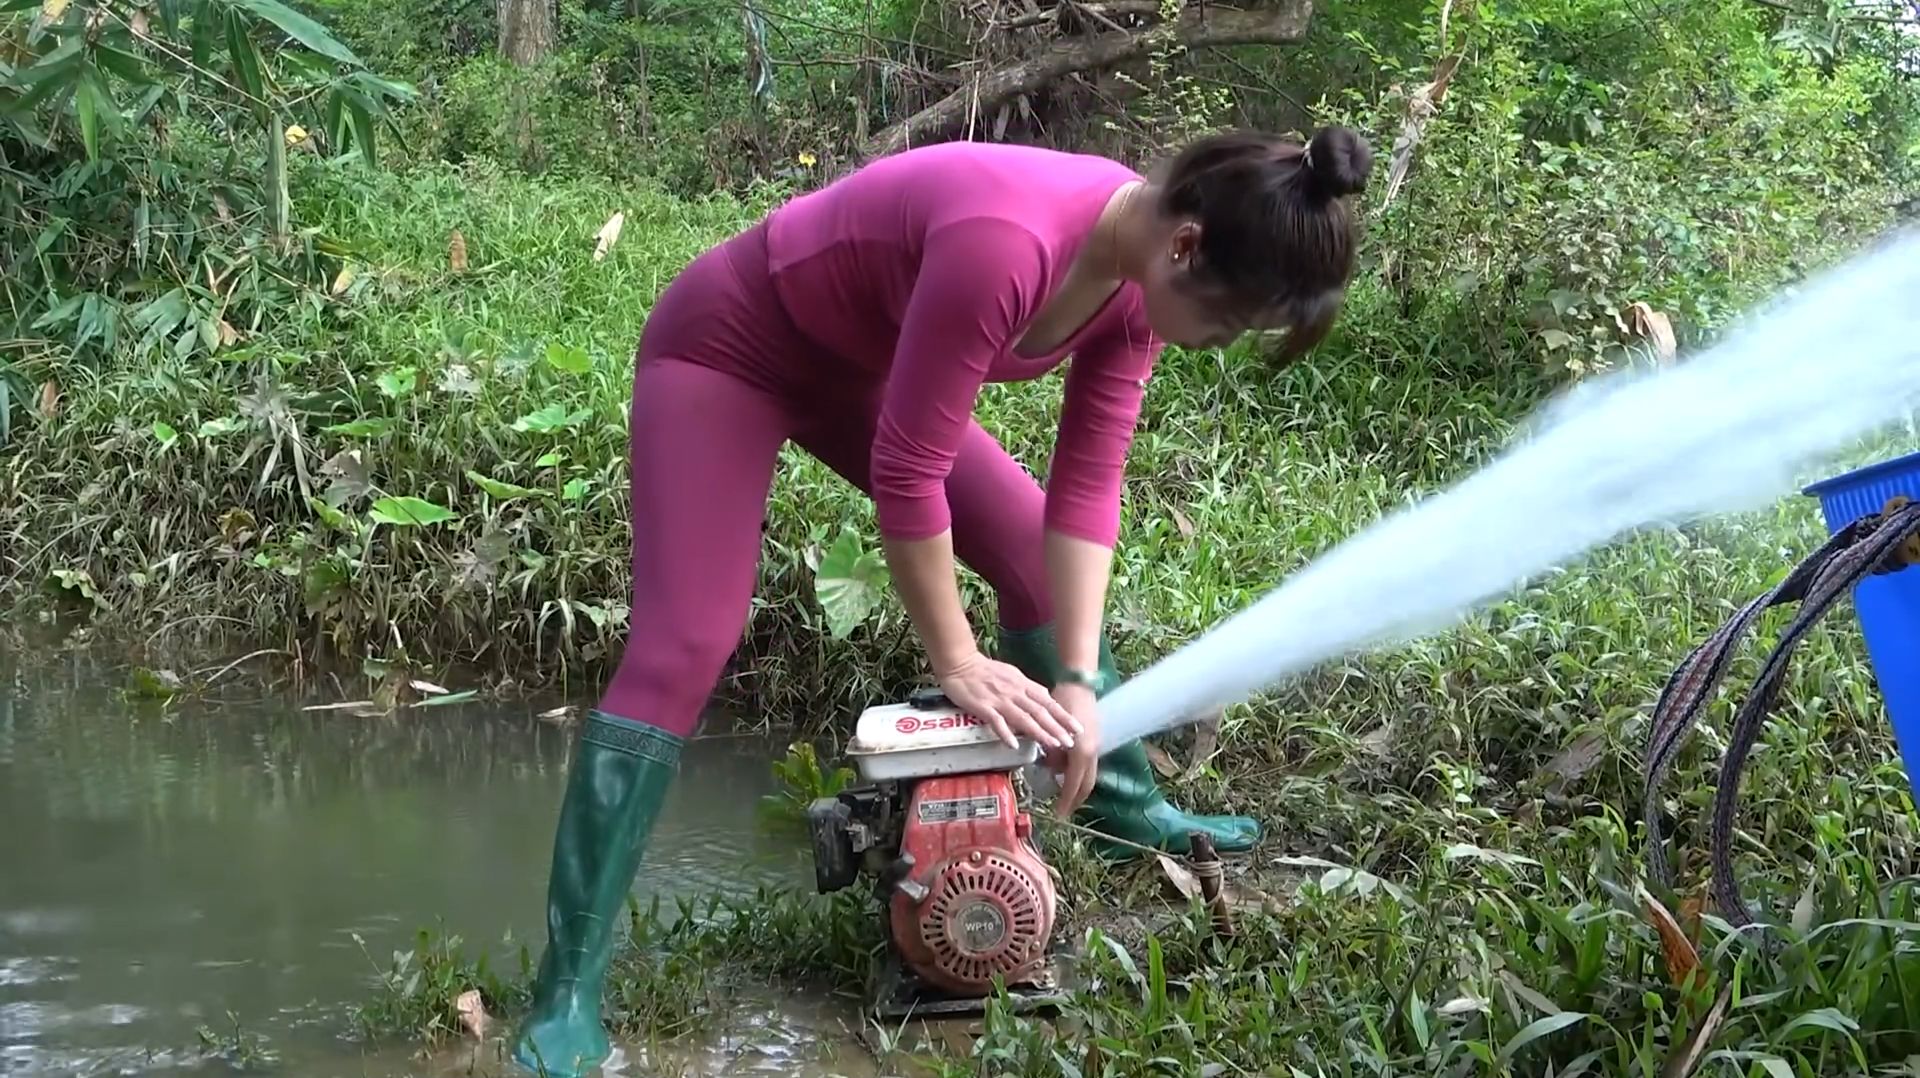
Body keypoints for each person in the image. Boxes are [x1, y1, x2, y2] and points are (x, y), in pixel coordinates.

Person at [510, 125, 1372, 1077]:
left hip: (859, 375)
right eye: (1225, 324)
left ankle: (1122, 805)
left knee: (1032, 554)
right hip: (729, 348)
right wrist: (958, 660)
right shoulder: (1009, 242)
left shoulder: (1135, 286)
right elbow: (909, 470)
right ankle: (568, 990)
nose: (1215, 344)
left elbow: (1086, 493)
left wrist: (1079, 684)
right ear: (1186, 247)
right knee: (686, 642)